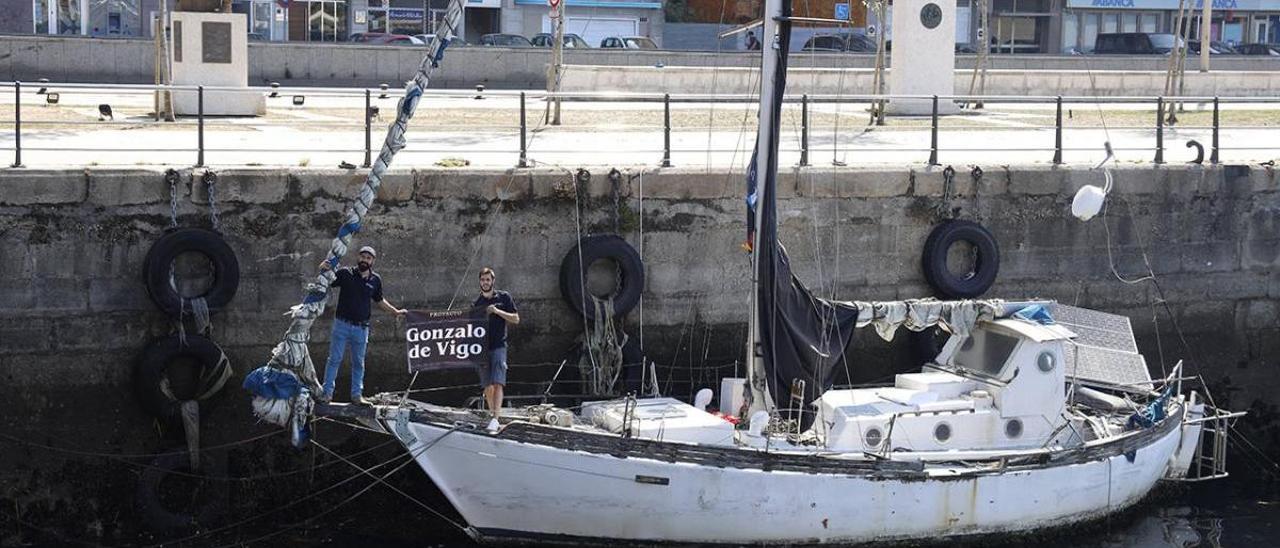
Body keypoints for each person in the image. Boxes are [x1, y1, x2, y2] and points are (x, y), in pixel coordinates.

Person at [319, 245, 405, 404]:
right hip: (341, 325)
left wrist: (395, 312)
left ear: (373, 261)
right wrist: (324, 269)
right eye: (363, 257)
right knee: (334, 359)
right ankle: (327, 394)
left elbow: (379, 300)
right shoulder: (345, 273)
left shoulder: (375, 280)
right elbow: (328, 281)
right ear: (358, 258)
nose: (365, 260)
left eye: (368, 258)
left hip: (361, 328)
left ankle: (357, 396)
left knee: (359, 363)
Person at [474, 267, 519, 433]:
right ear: (479, 282)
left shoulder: (504, 297)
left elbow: (516, 319)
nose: (485, 283)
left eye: (488, 280)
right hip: (482, 348)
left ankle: (495, 417)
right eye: (483, 280)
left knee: (498, 381)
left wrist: (497, 311)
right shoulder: (477, 304)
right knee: (487, 384)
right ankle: (493, 414)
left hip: (499, 345)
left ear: (493, 281)